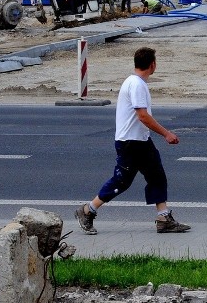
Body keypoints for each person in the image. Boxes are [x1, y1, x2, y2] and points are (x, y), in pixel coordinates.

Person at [75, 47, 190, 235]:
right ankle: (87, 210)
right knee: (121, 181)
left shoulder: (134, 82)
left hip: (140, 140)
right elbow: (143, 116)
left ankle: (163, 217)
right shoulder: (136, 84)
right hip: (130, 142)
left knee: (156, 176)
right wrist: (166, 133)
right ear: (152, 65)